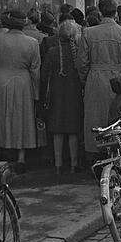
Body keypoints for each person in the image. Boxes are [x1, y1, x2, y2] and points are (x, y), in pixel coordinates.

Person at [0, 9, 41, 172]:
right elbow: (35, 70)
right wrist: (36, 92)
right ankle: (21, 157)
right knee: (22, 118)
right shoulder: (32, 43)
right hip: (23, 82)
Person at [77, 0, 121, 158]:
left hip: (95, 78)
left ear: (100, 11)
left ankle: (96, 152)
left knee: (94, 117)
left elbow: (82, 62)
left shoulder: (88, 33)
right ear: (116, 13)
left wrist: (85, 80)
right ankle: (119, 151)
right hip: (119, 78)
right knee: (118, 118)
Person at [40, 19, 84, 174]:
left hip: (56, 94)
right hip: (74, 94)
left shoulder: (52, 52)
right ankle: (74, 163)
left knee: (57, 131)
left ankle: (58, 165)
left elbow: (44, 75)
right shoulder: (78, 52)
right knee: (72, 131)